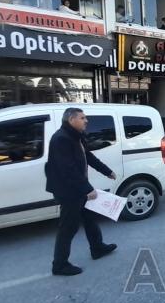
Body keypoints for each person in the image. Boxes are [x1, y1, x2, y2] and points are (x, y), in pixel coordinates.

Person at [45, 108, 117, 276]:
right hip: (68, 191)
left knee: (90, 218)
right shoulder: (61, 139)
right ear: (71, 119)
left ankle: (97, 248)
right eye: (82, 118)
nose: (86, 121)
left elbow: (88, 157)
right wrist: (87, 189)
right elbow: (68, 169)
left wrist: (107, 171)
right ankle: (60, 265)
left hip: (77, 187)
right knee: (68, 227)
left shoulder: (75, 136)